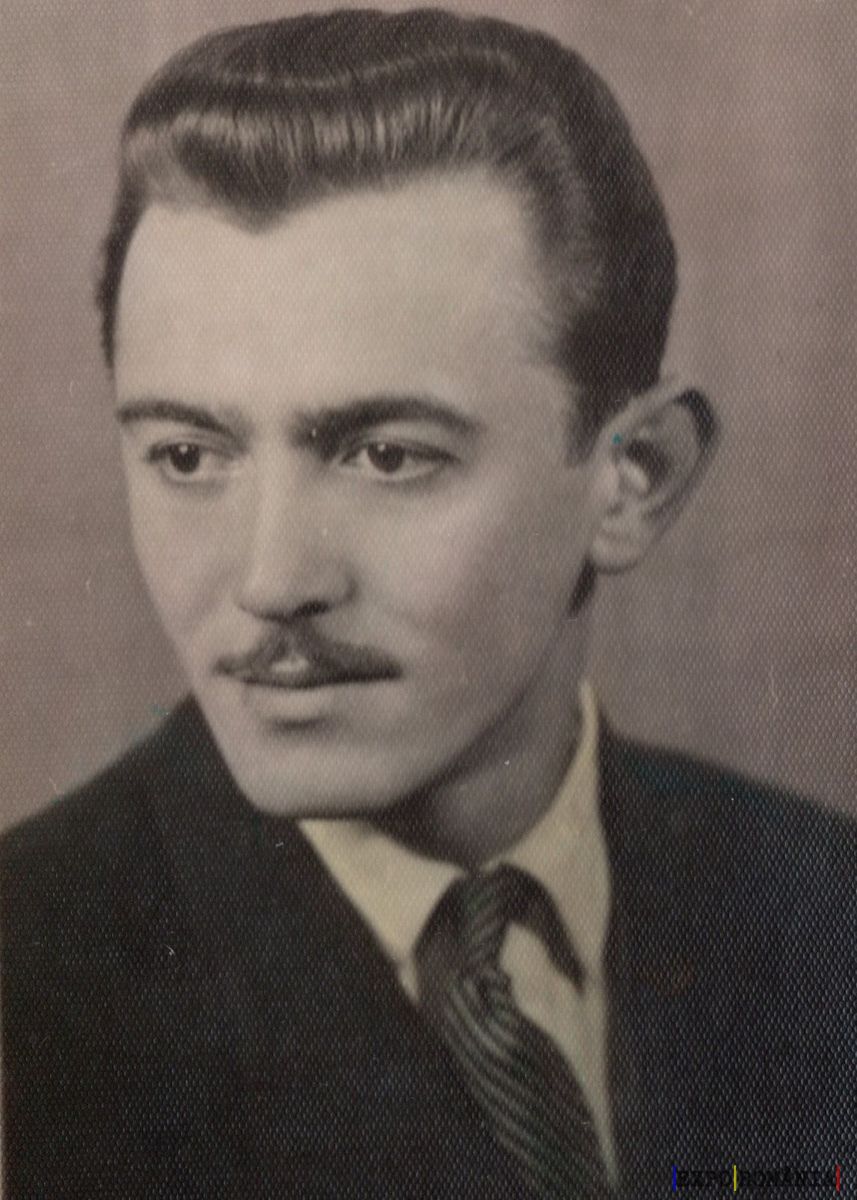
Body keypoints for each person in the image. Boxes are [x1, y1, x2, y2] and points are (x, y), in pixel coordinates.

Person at [2, 10, 854, 1198]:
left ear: (633, 477)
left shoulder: (821, 909)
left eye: (387, 456)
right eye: (188, 456)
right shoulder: (30, 984)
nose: (270, 580)